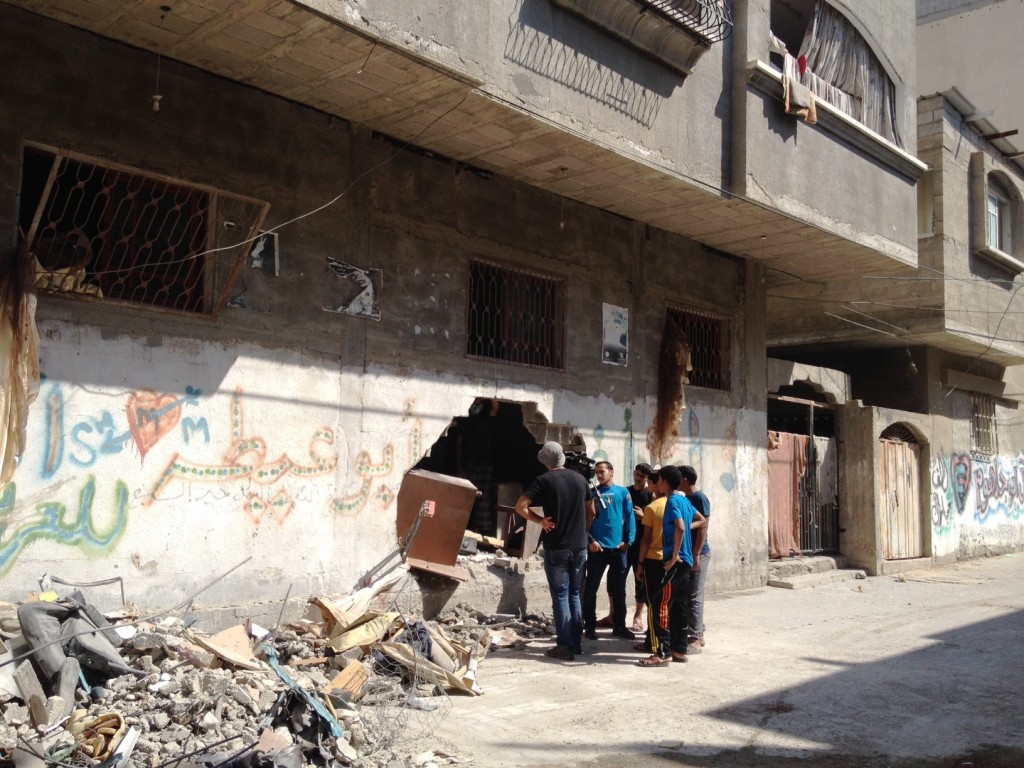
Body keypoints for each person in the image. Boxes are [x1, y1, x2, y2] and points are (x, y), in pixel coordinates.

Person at [515, 441, 595, 661]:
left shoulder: (543, 480)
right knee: (575, 593)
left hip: (557, 546)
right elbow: (592, 512)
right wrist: (582, 531)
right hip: (579, 547)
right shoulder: (581, 479)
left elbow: (520, 506)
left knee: (561, 595)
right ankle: (576, 643)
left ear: (545, 461)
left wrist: (540, 521)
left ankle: (565, 645)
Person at [637, 465, 705, 667]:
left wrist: (674, 556)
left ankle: (662, 652)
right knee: (678, 605)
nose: (657, 483)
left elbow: (681, 527)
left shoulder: (673, 501)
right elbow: (700, 520)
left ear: (665, 482)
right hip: (685, 562)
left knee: (661, 604)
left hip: (676, 562)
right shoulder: (683, 500)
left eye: (659, 480)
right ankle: (679, 650)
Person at [583, 461, 636, 640]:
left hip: (618, 550)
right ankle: (589, 626)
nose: (599, 475)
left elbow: (630, 518)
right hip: (598, 549)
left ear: (611, 472)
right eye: (596, 472)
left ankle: (619, 625)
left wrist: (628, 541)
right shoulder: (591, 494)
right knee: (591, 588)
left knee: (619, 589)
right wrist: (590, 541)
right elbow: (585, 521)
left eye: (602, 472)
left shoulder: (623, 492)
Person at [597, 463, 653, 631]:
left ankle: (637, 616)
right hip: (622, 545)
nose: (638, 478)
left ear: (647, 479)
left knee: (640, 581)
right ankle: (612, 614)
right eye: (636, 474)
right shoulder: (624, 492)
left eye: (642, 476)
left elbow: (655, 522)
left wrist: (643, 516)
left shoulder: (651, 496)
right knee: (614, 579)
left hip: (641, 545)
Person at [679, 464, 711, 652]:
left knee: (694, 594)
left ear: (684, 479)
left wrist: (697, 553)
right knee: (689, 593)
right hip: (690, 552)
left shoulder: (699, 498)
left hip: (699, 552)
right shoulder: (687, 498)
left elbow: (703, 527)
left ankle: (696, 637)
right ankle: (699, 632)